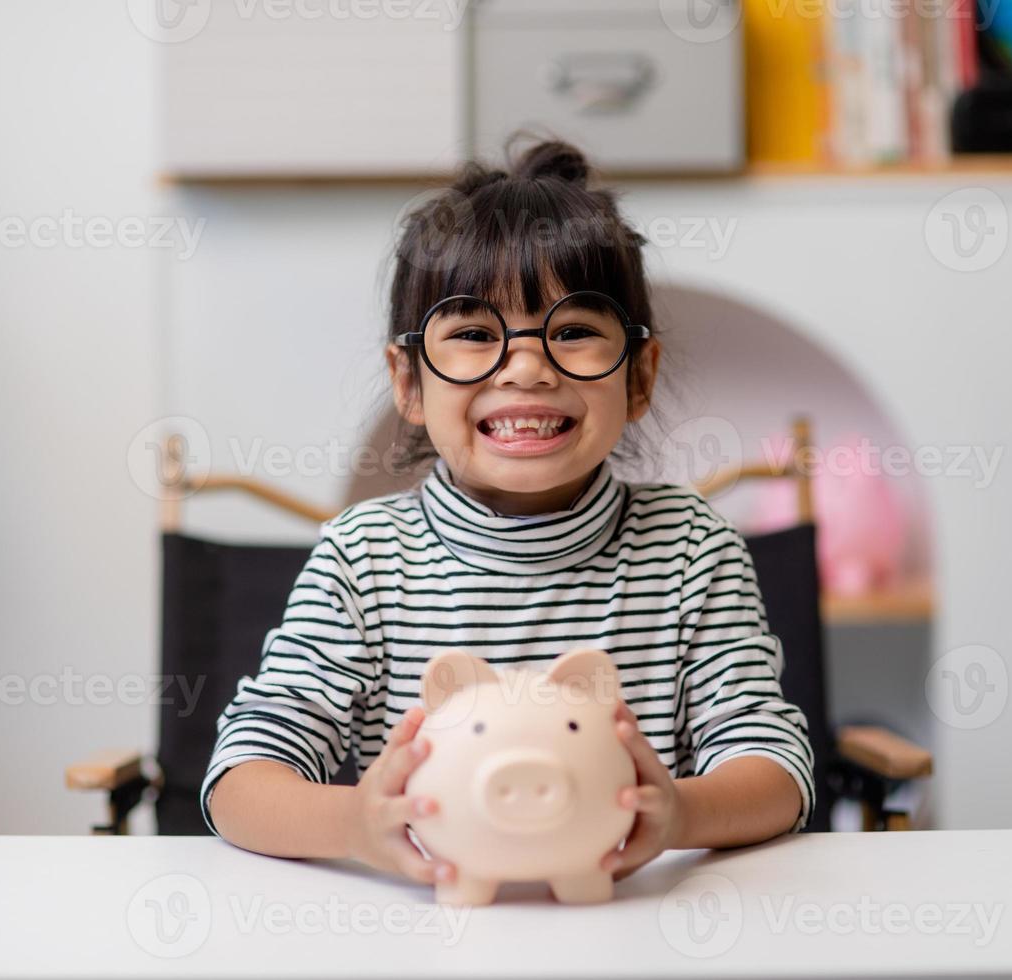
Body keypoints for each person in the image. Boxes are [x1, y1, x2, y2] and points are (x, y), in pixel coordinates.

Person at [203, 135, 814, 887]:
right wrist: (355, 825)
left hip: (635, 930)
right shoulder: (362, 557)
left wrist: (681, 816)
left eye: (575, 332)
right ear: (409, 381)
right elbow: (239, 781)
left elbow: (776, 771)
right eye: (472, 335)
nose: (526, 367)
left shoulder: (692, 549)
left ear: (640, 373)